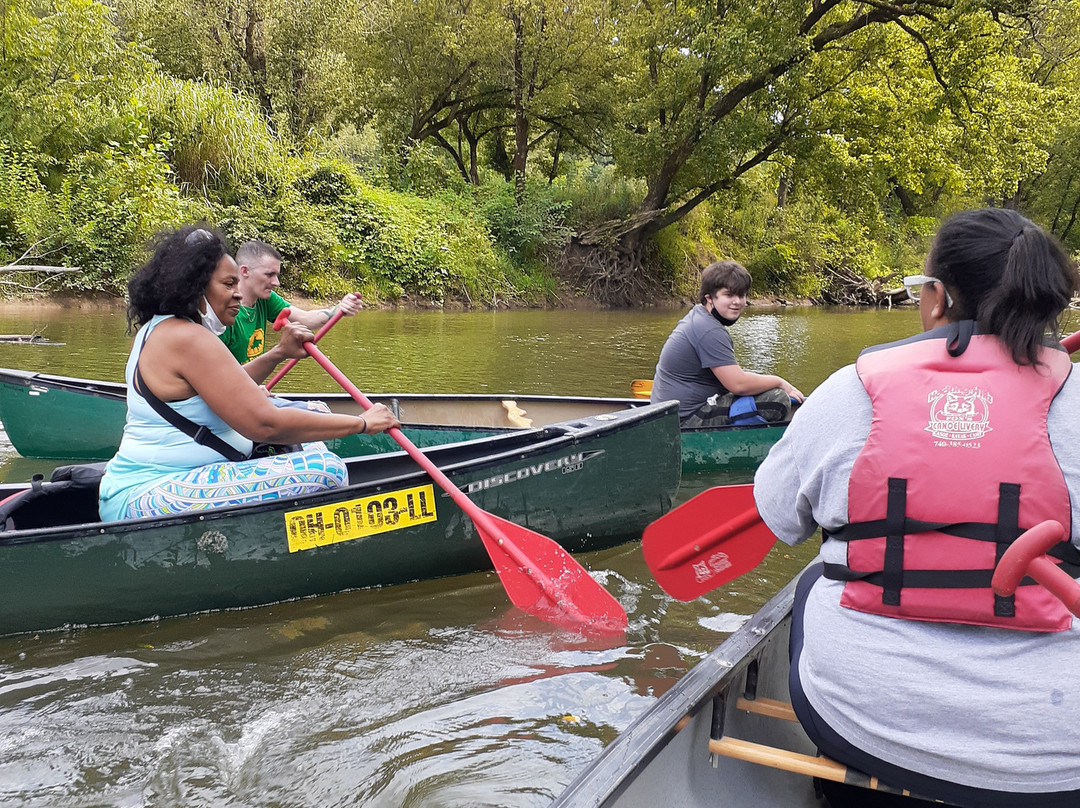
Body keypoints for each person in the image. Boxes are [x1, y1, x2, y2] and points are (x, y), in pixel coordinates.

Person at [754, 208, 1080, 807]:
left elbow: (780, 516)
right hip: (1054, 758)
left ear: (936, 299)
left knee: (813, 579)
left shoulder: (850, 388)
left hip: (862, 728)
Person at [98, 225, 400, 522]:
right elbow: (265, 425)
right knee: (328, 470)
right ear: (195, 285)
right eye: (228, 284)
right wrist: (362, 423)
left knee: (311, 427)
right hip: (147, 494)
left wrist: (279, 353)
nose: (238, 295)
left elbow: (230, 384)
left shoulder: (158, 328)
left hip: (149, 484)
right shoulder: (189, 338)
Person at [650, 260, 803, 426]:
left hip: (673, 414)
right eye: (729, 295)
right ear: (709, 298)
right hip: (683, 420)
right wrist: (780, 382)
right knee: (777, 399)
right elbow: (738, 385)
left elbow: (735, 378)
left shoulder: (700, 316)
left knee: (760, 386)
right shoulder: (709, 330)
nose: (737, 302)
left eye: (741, 295)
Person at [223, 239, 364, 382]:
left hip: (249, 387)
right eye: (269, 274)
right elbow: (223, 381)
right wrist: (280, 352)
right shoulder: (224, 312)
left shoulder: (265, 299)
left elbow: (306, 319)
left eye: (277, 275)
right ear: (245, 271)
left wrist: (339, 308)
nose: (276, 283)